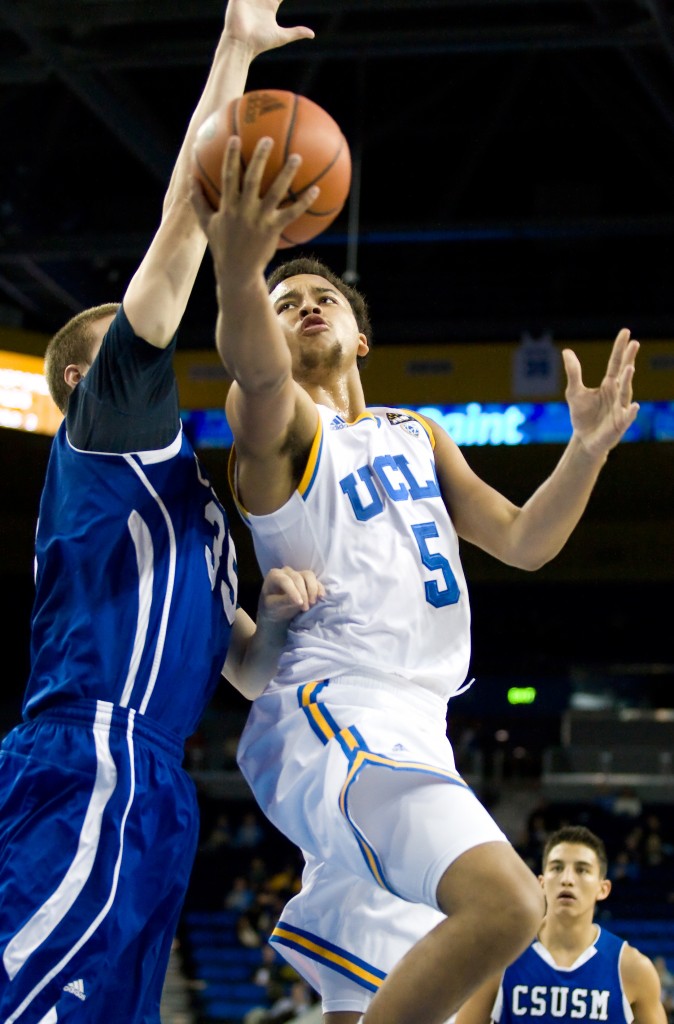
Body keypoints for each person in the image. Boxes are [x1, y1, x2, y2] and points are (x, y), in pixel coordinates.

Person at [191, 138, 641, 1024]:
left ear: (363, 335)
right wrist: (241, 272)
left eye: (324, 298)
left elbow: (522, 540)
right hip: (337, 708)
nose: (306, 306)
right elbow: (251, 369)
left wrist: (585, 455)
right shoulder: (279, 431)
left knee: (367, 1005)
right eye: (287, 304)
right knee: (510, 905)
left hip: (419, 724)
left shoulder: (417, 433)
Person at [0, 5, 318, 1023]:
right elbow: (181, 224)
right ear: (92, 376)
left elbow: (249, 670)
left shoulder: (203, 513)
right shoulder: (109, 430)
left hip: (159, 786)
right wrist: (232, 54)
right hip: (86, 753)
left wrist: (273, 615)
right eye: (140, 335)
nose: (161, 342)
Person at [455, 825, 667, 1024]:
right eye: (556, 868)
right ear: (542, 883)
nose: (567, 879)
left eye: (582, 870)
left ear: (603, 889)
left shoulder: (632, 968)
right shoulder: (500, 959)